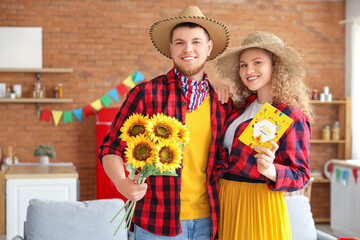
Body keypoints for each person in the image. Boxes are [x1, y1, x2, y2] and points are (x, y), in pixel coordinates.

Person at [98, 6, 232, 240]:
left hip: (211, 221)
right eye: (179, 42)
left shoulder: (222, 101)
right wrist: (122, 183)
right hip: (155, 222)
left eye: (196, 42)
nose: (188, 49)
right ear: (171, 48)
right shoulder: (145, 93)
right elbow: (110, 147)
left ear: (209, 47)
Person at [214, 31, 313, 240]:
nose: (248, 70)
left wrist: (271, 170)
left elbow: (301, 175)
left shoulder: (290, 115)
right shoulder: (239, 108)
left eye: (257, 62)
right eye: (243, 65)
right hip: (225, 197)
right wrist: (215, 89)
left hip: (258, 203)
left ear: (275, 67)